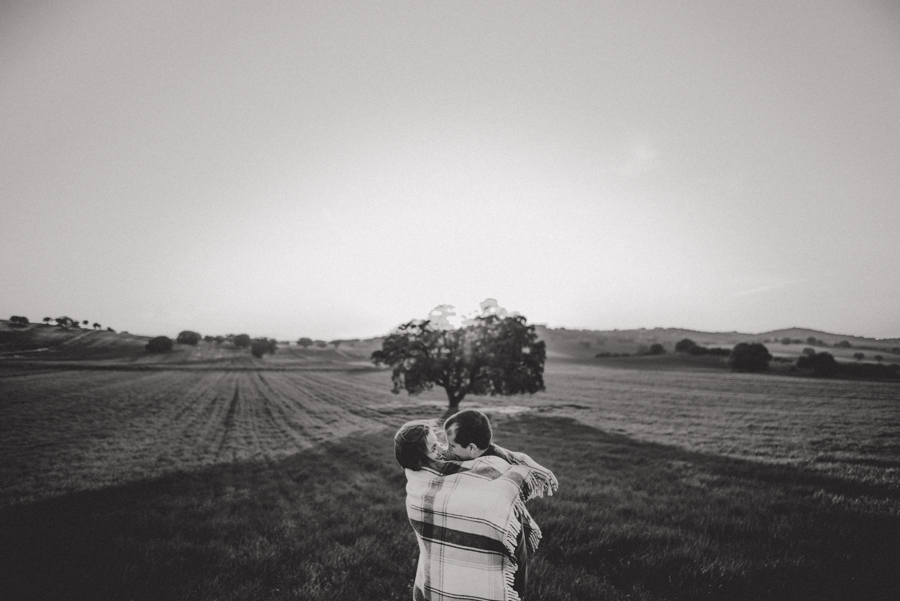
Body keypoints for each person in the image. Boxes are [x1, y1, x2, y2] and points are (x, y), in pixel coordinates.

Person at [394, 414, 557, 601]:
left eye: (438, 441)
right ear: (418, 460)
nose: (442, 448)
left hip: (506, 554)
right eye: (433, 447)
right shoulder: (420, 488)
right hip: (451, 563)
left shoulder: (462, 461)